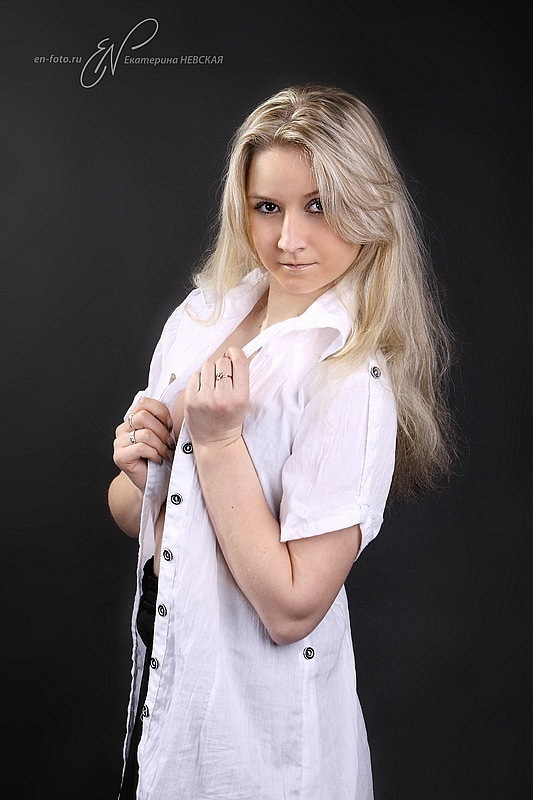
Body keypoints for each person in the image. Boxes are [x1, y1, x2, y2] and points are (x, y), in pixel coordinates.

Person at [108, 83, 456, 800]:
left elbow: (292, 607)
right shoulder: (201, 318)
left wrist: (217, 444)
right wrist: (143, 472)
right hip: (170, 709)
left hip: (262, 750)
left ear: (367, 205)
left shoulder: (350, 380)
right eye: (267, 207)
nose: (288, 239)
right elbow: (138, 519)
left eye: (318, 206)